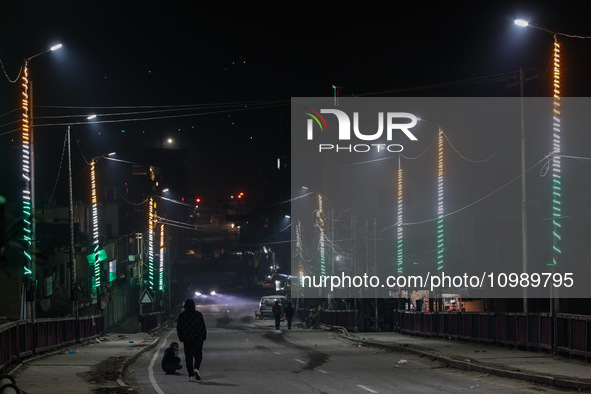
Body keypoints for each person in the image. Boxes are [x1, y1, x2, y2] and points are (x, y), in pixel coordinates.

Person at [177, 298, 207, 382]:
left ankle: (191, 375)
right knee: (198, 355)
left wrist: (181, 338)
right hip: (198, 339)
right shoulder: (198, 314)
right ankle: (196, 368)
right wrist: (203, 337)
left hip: (187, 339)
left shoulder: (182, 315)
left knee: (188, 357)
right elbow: (202, 327)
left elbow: (179, 328)